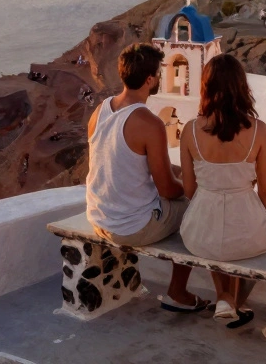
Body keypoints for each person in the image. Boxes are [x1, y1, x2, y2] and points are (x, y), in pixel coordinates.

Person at [85, 44, 207, 313]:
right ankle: (178, 292)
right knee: (196, 209)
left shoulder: (100, 111)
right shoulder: (149, 123)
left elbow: (124, 161)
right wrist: (191, 188)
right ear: (150, 80)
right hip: (131, 226)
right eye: (158, 75)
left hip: (99, 217)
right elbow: (167, 190)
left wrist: (178, 170)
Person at [179, 54, 266, 328]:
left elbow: (188, 189)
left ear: (205, 88)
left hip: (201, 232)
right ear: (241, 87)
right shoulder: (259, 130)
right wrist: (265, 216)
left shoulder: (190, 131)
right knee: (244, 236)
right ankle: (233, 299)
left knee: (215, 237)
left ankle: (224, 297)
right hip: (247, 231)